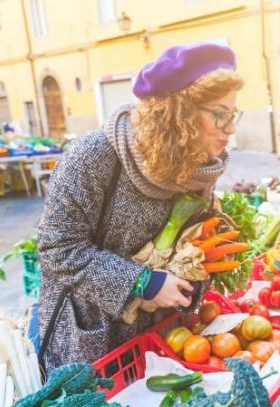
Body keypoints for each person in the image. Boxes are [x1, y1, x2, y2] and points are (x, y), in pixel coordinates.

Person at [37, 42, 243, 371]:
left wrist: (202, 257)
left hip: (161, 332)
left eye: (233, 114)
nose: (230, 128)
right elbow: (57, 247)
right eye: (220, 113)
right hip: (95, 334)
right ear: (180, 113)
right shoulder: (94, 155)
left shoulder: (200, 164)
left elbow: (190, 237)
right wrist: (141, 283)